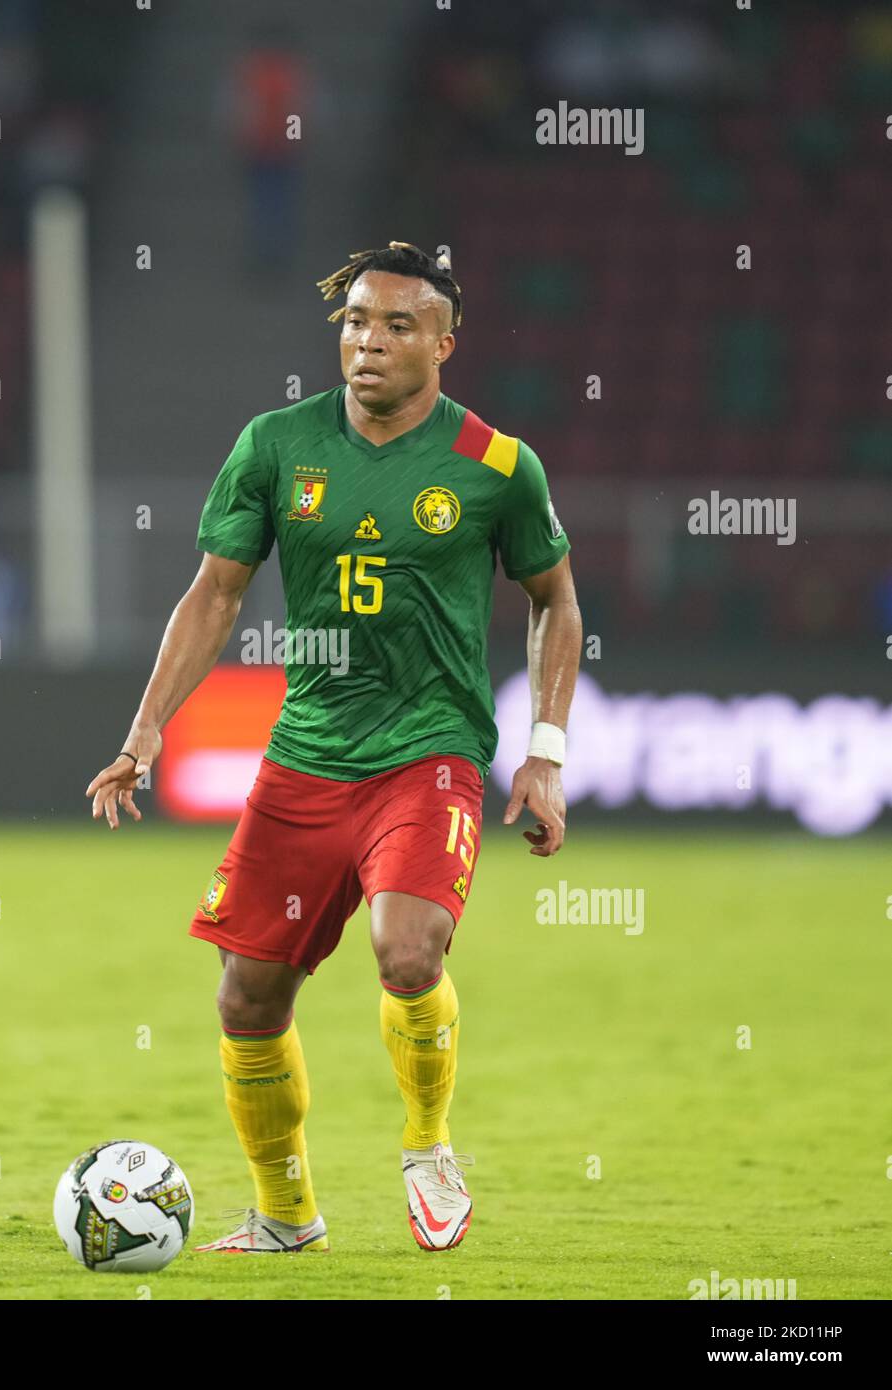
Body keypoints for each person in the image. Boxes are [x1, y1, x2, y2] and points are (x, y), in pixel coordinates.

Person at [86, 240, 582, 1253]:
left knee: (407, 950)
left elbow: (554, 600)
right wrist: (143, 733)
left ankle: (428, 1145)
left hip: (428, 750)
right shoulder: (273, 445)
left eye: (397, 324)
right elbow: (213, 596)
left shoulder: (493, 464)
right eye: (355, 320)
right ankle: (283, 1213)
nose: (368, 341)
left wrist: (542, 751)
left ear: (443, 342)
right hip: (307, 752)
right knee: (246, 994)